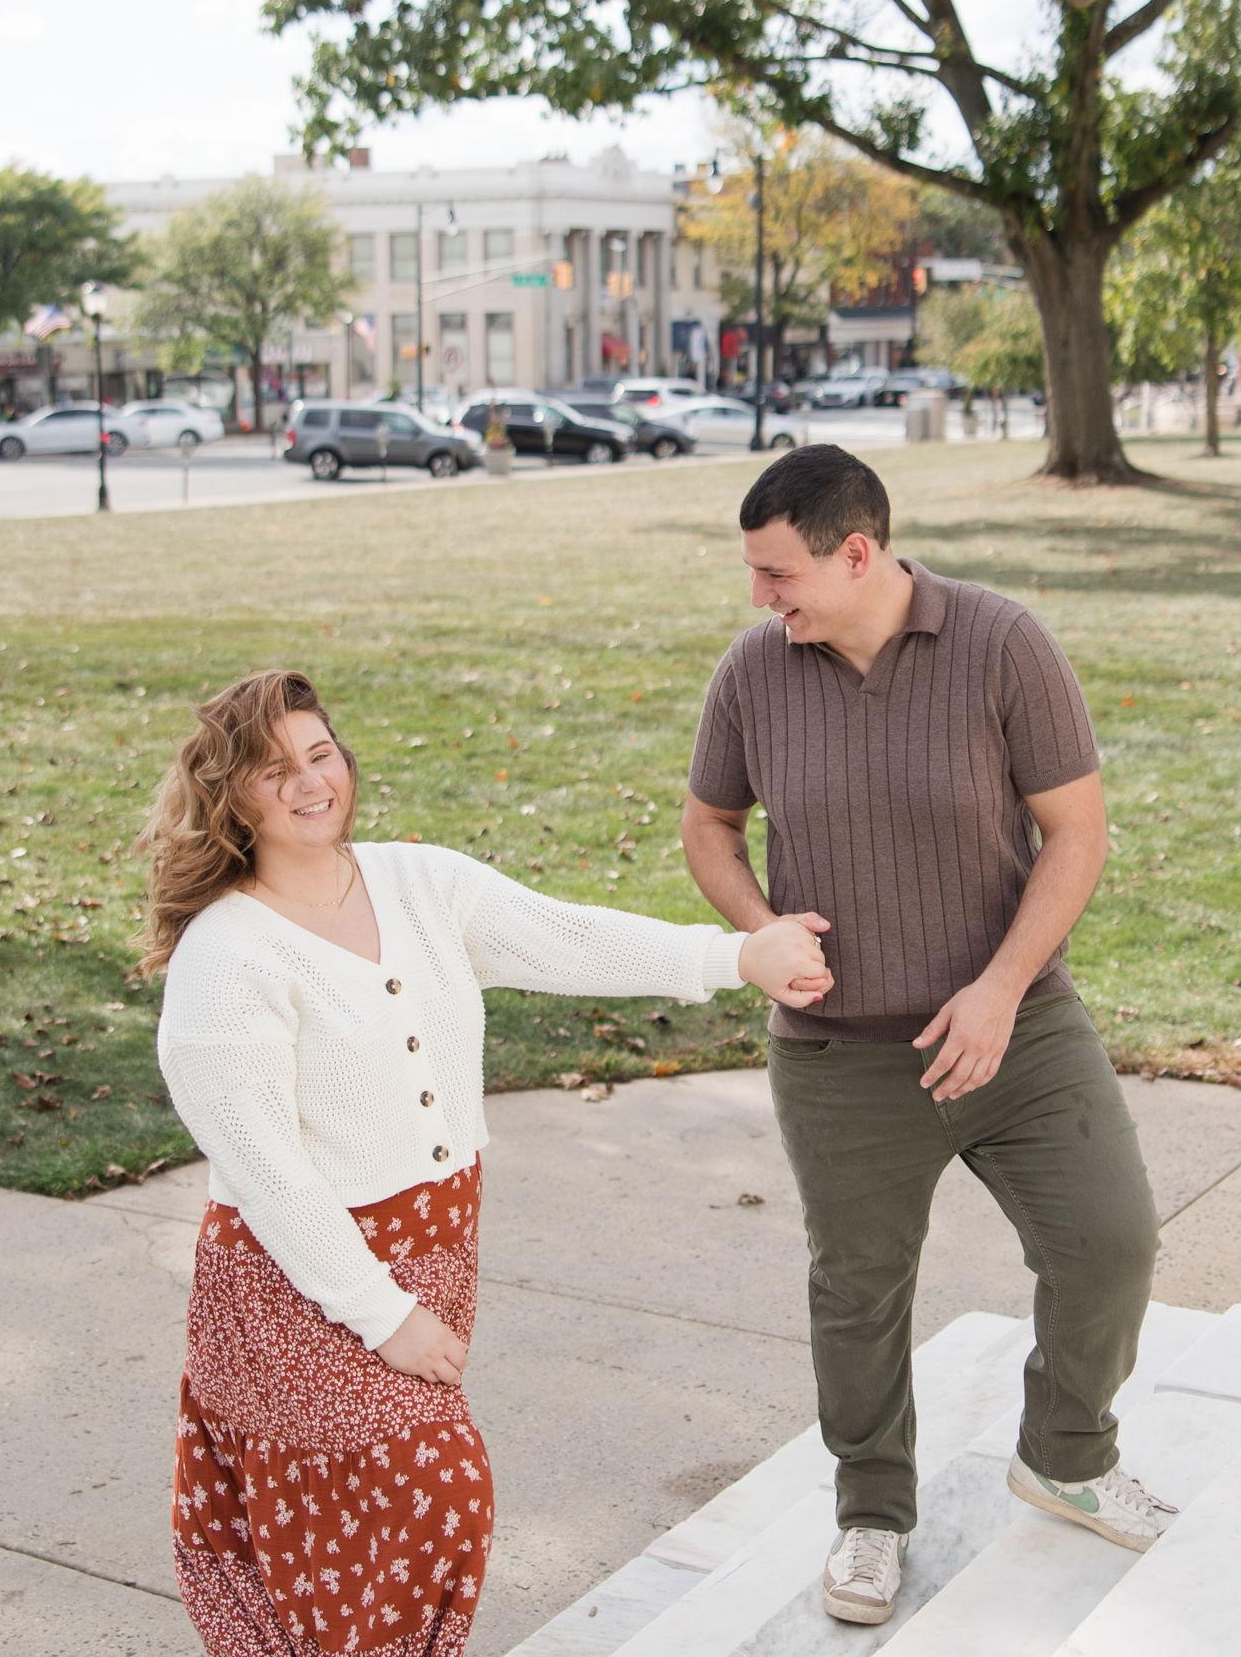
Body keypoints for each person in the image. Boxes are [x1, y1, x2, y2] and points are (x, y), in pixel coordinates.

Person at [136, 668, 833, 1657]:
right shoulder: (227, 956)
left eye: (321, 753)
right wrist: (382, 1315)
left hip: (433, 1250)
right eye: (273, 769)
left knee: (378, 1535)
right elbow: (267, 1172)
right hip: (293, 1284)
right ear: (231, 796)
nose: (309, 782)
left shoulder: (420, 884)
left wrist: (735, 957)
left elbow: (569, 938)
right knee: (422, 1492)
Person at [680, 445, 1174, 1628]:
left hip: (1016, 1027)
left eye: (777, 573)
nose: (759, 595)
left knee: (1109, 1243)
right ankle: (869, 1511)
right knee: (857, 1291)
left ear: (856, 553)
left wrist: (1000, 986)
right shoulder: (754, 670)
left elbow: (1074, 833)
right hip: (839, 1054)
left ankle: (1065, 1452)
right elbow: (708, 825)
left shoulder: (1002, 645)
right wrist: (758, 928)